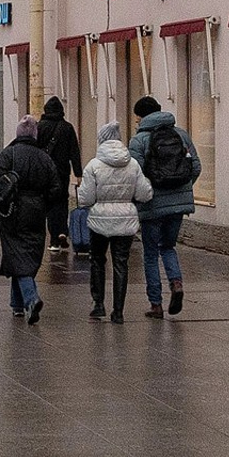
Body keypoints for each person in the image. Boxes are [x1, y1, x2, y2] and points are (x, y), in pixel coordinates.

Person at [128, 95, 200, 316]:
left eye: (137, 118)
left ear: (141, 117)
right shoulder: (181, 135)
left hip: (151, 205)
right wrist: (181, 190)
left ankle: (156, 304)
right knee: (168, 246)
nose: (136, 121)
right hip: (178, 206)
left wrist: (142, 196)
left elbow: (136, 175)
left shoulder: (138, 141)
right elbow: (196, 167)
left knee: (150, 254)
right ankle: (176, 283)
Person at [72, 124, 148, 320]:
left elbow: (85, 198)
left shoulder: (94, 165)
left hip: (99, 220)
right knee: (121, 263)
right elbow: (144, 194)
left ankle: (98, 304)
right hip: (125, 220)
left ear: (101, 139)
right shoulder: (133, 164)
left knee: (97, 260)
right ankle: (119, 311)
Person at [0, 115, 58, 323]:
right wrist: (43, 204)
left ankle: (30, 298)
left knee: (15, 253)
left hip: (12, 210)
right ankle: (17, 304)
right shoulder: (44, 157)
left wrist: (9, 189)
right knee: (28, 254)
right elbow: (55, 187)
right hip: (36, 210)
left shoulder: (9, 153)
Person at [36, 94, 83, 254]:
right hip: (62, 172)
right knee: (62, 201)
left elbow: (35, 150)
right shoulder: (67, 127)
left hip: (45, 173)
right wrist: (78, 173)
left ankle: (54, 241)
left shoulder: (40, 127)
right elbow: (74, 152)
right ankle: (62, 230)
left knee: (50, 204)